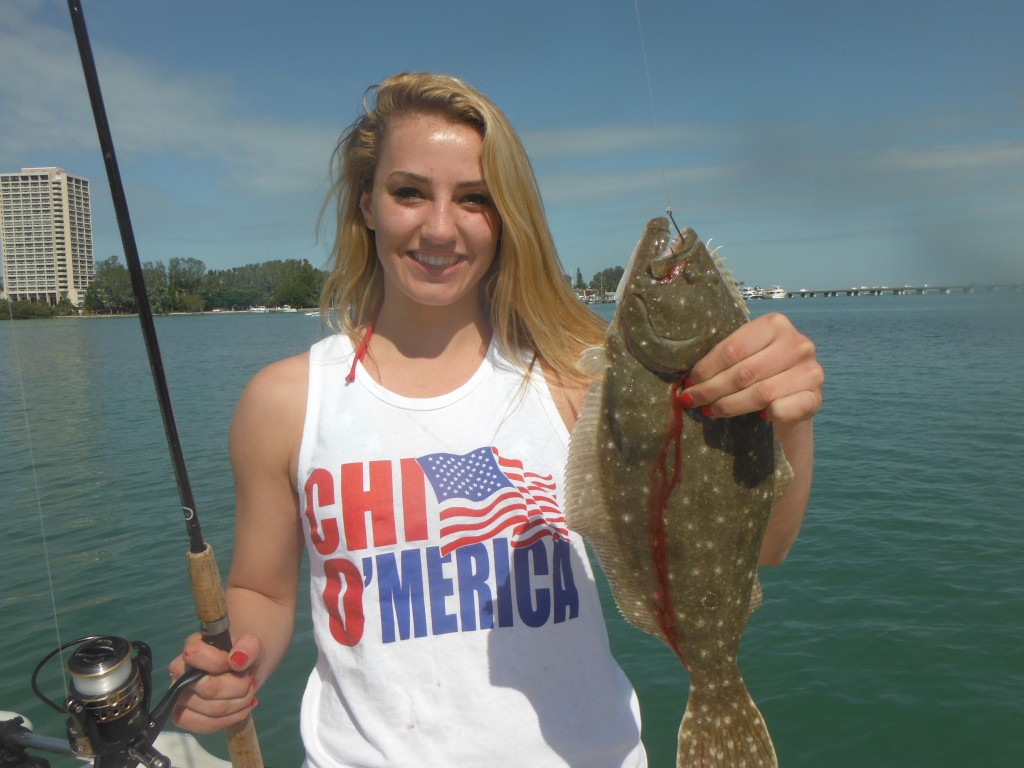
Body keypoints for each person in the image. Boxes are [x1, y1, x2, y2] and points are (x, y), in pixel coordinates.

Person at [170, 72, 822, 766]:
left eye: (475, 199)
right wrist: (236, 659)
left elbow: (763, 548)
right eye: (409, 191)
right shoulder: (287, 403)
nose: (440, 227)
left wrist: (787, 419)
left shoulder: (577, 381)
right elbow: (259, 591)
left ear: (506, 214)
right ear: (367, 204)